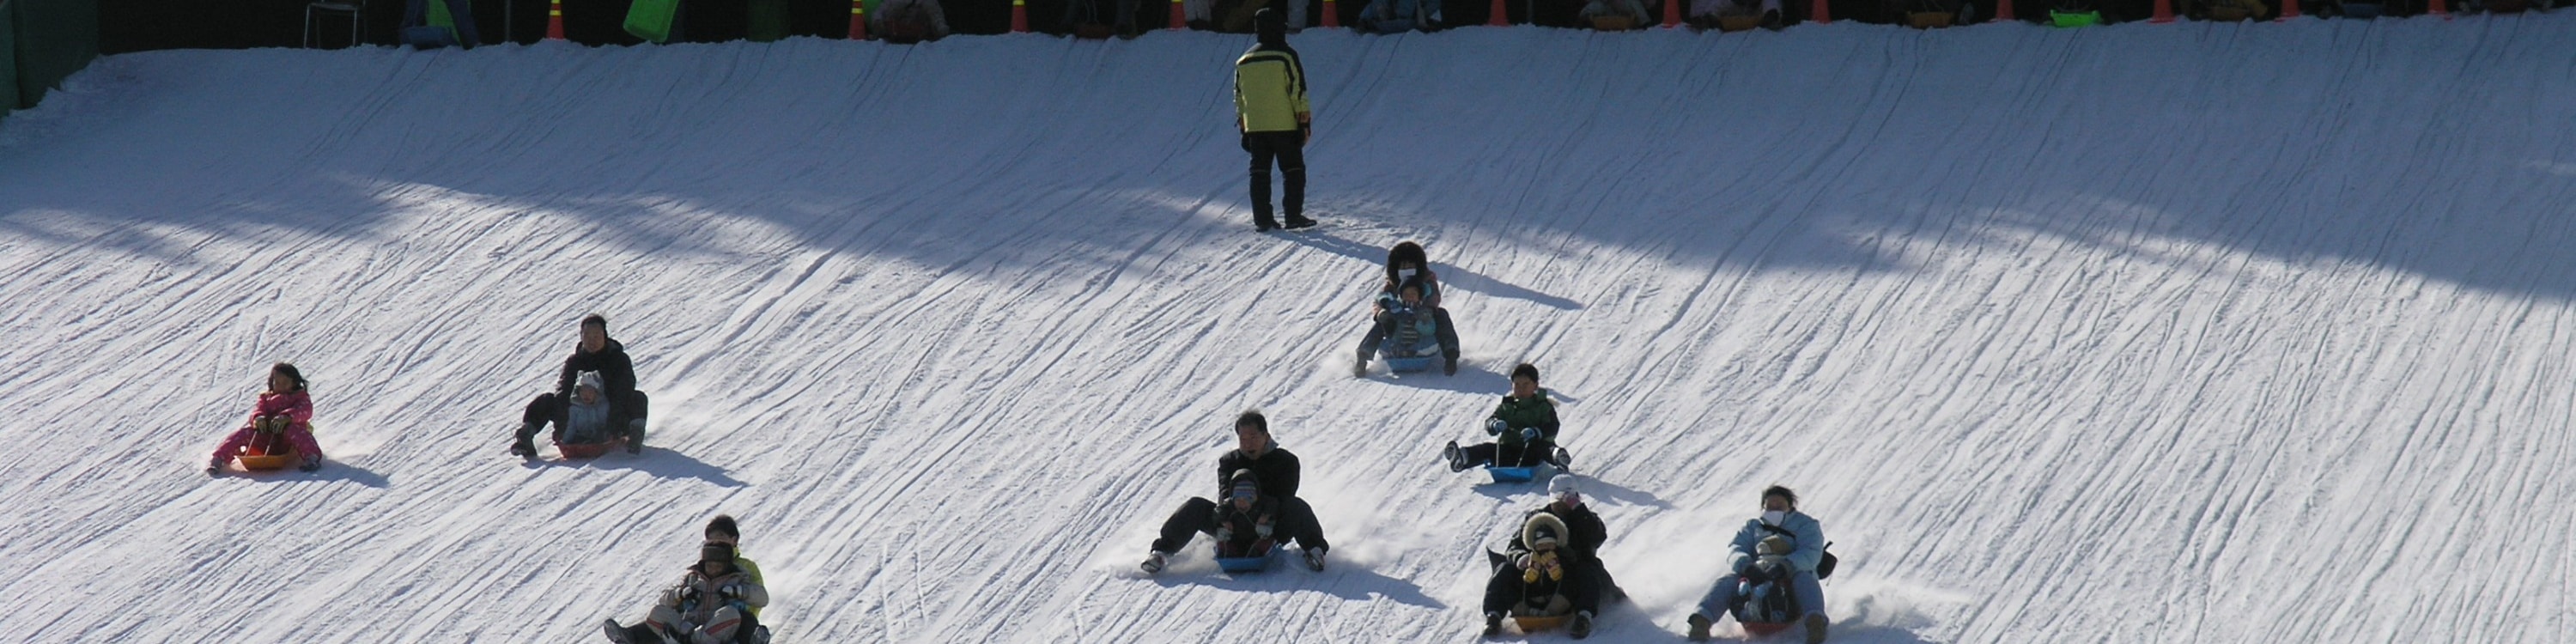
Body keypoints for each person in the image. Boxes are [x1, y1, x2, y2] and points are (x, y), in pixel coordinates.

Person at [1142, 410, 1331, 574]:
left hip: (1270, 524)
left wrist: (1266, 515)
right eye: (1243, 439)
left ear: (1266, 435)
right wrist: (1223, 517)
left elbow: (1285, 495)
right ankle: (1161, 553)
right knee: (1195, 506)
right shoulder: (1230, 461)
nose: (1248, 444)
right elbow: (1225, 493)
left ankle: (1314, 551)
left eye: (1253, 437)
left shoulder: (1286, 461)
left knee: (1297, 506)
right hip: (1234, 522)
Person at [1688, 486, 1830, 643]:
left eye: (1780, 505)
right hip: (1758, 572)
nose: (1774, 508)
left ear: (1790, 506)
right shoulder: (1753, 526)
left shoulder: (1806, 525)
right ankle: (1701, 621)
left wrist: (1786, 566)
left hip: (1792, 572)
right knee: (1729, 580)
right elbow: (1736, 548)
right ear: (1763, 507)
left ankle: (1815, 623)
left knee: (1804, 579)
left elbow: (1811, 552)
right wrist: (1746, 566)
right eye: (1770, 505)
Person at [513, 313, 650, 457]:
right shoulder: (575, 361)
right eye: (587, 336)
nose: (592, 340)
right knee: (546, 400)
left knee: (637, 398)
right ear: (581, 337)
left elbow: (624, 391)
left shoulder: (618, 359)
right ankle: (526, 435)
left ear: (605, 336)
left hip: (609, 415)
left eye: (596, 336)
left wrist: (612, 427)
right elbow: (564, 391)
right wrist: (563, 425)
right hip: (579, 417)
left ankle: (635, 435)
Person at [1232, 8, 1317, 233]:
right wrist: (1304, 123)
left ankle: (1263, 219)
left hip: (1256, 127)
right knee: (1293, 170)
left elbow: (1238, 97)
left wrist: (1244, 128)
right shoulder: (1285, 56)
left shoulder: (1244, 60)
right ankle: (1293, 215)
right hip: (1284, 125)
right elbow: (1298, 91)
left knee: (1259, 173)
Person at [604, 540, 769, 644]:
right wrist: (680, 595)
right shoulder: (693, 578)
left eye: (718, 566)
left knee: (732, 613)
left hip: (715, 629)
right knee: (658, 612)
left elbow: (762, 598)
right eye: (709, 565)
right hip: (687, 628)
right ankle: (631, 639)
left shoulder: (738, 577)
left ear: (727, 565)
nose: (713, 569)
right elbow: (664, 600)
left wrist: (738, 591)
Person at [1482, 512, 1599, 639]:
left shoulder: (1566, 557)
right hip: (1526, 604)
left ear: (1556, 544)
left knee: (1585, 570)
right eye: (1541, 545)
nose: (1545, 548)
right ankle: (1493, 617)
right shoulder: (1529, 559)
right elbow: (1513, 551)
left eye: (1549, 544)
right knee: (1505, 569)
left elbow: (1576, 574)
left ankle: (1584, 618)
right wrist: (1523, 562)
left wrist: (1560, 565)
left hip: (1560, 601)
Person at [1355, 241, 1461, 376]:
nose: (1407, 269)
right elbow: (1380, 300)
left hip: (1423, 317)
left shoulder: (1427, 279)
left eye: (1411, 266)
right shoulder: (1392, 284)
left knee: (1442, 315)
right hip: (1398, 319)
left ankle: (1450, 354)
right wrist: (1381, 313)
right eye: (1403, 266)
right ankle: (1363, 355)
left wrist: (1428, 309)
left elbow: (1434, 295)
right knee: (1380, 323)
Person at [208, 362, 325, 473]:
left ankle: (311, 458)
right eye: (277, 382)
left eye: (285, 382)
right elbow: (258, 409)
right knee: (244, 433)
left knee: (298, 433)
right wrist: (258, 418)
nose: (280, 386)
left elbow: (305, 410)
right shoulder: (265, 398)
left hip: (288, 439)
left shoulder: (300, 397)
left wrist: (287, 417)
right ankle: (218, 459)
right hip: (266, 436)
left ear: (294, 383)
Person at [1444, 363, 1564, 471]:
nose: (1521, 389)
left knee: (1541, 447)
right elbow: (1490, 420)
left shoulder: (1543, 406)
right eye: (1517, 384)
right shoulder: (1507, 406)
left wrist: (1537, 432)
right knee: (1488, 449)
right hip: (1508, 451)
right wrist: (1494, 424)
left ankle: (1557, 457)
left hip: (1532, 454)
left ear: (1536, 386)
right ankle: (1462, 457)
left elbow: (1553, 426)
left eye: (1526, 384)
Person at [703, 515, 767, 618]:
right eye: (710, 539)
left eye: (720, 537)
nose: (715, 542)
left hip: (734, 621)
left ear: (734, 540)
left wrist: (738, 593)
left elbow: (760, 597)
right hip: (701, 619)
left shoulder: (746, 567)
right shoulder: (703, 566)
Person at [876, 0, 952, 42]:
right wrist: (879, 24)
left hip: (919, 40)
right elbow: (880, 13)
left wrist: (942, 29)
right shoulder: (893, 2)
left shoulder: (928, 2)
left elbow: (936, 16)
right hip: (895, 39)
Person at [1357, 0, 1440, 32]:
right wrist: (1364, 19)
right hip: (1386, 21)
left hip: (1411, 21)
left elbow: (1434, 4)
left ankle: (1402, 16)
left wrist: (1428, 17)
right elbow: (1373, 6)